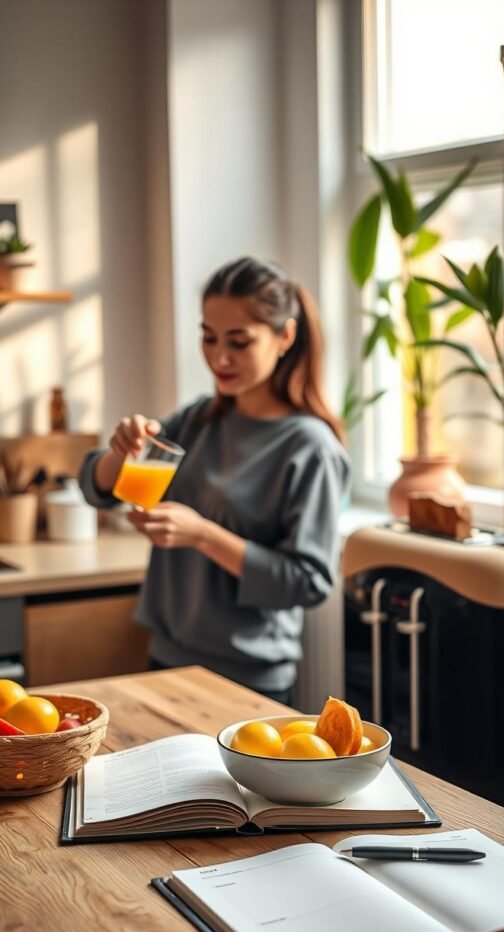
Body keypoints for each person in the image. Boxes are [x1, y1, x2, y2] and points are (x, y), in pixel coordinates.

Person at [79, 256, 350, 705]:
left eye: (239, 342)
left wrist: (202, 535)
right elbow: (97, 489)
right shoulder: (200, 419)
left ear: (285, 336)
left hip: (249, 678)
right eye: (208, 338)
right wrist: (118, 453)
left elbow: (308, 580)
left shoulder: (310, 447)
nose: (219, 357)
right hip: (167, 661)